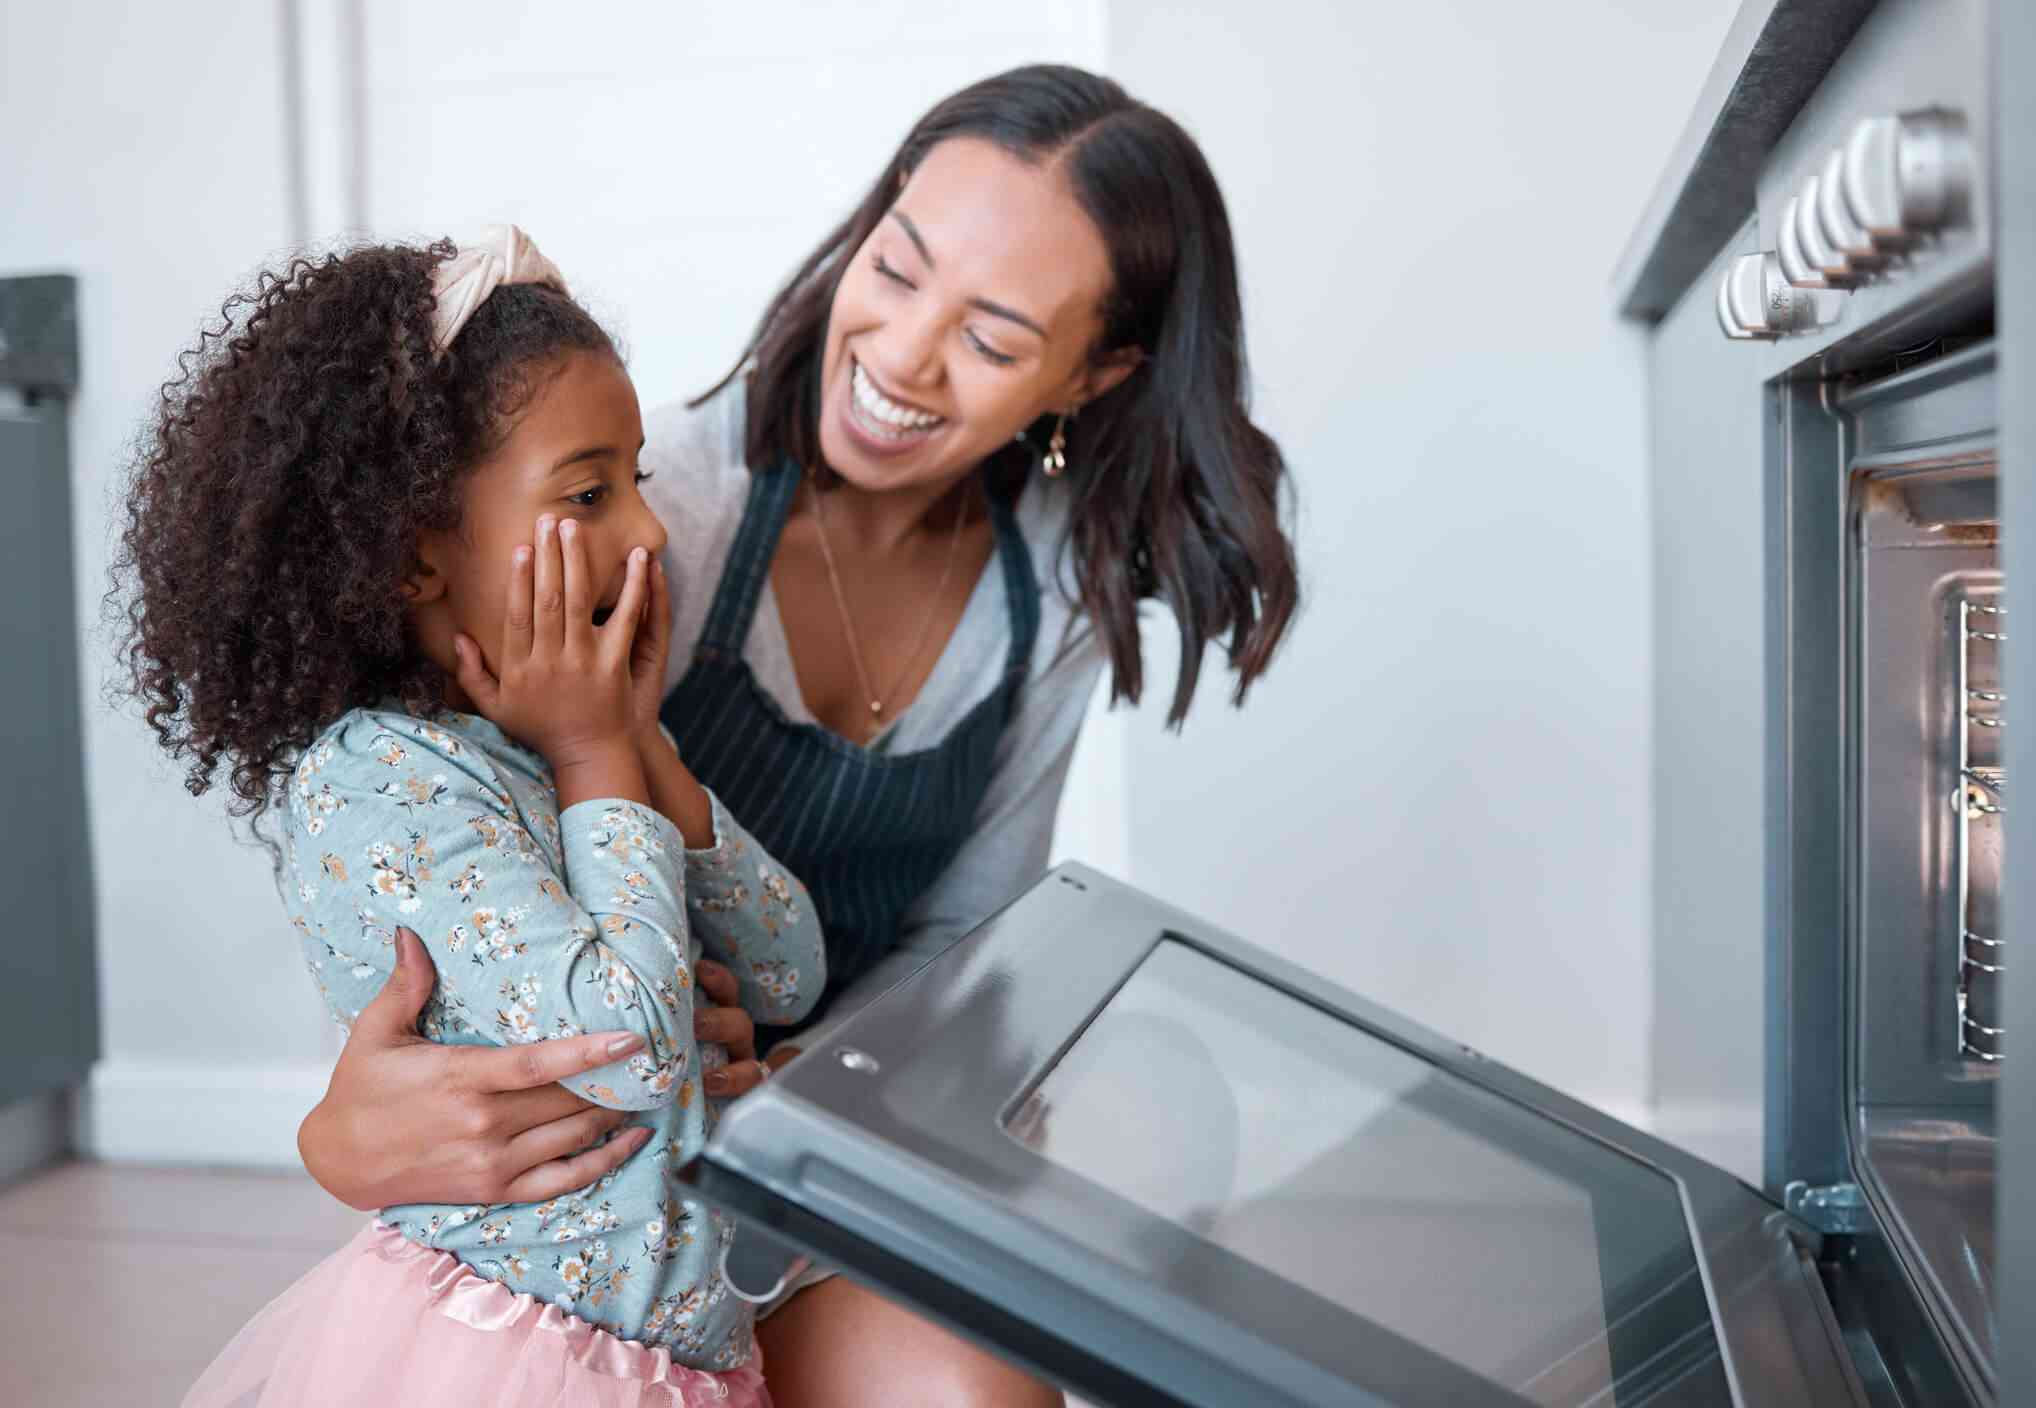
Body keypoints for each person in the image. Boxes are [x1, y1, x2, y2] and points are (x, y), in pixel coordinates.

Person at [294, 64, 1300, 1407]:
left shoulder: (1048, 595)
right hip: (603, 1166)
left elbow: (961, 941)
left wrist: (791, 1083)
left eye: (994, 339)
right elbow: (438, 879)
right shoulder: (664, 521)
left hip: (842, 1131)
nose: (896, 356)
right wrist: (336, 1133)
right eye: (896, 268)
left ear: (1095, 374)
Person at [114, 227, 826, 1406]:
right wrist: (600, 749)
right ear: (409, 557)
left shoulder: (567, 741)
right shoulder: (377, 780)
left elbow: (787, 968)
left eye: (637, 481)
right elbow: (634, 1051)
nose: (648, 533)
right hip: (514, 1358)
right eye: (590, 492)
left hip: (677, 1361)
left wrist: (639, 740)